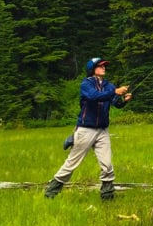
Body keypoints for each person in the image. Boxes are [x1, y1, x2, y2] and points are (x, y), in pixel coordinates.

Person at [44, 57, 132, 201]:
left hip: (102, 130)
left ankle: (107, 197)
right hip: (86, 130)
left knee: (107, 164)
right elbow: (93, 96)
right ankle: (50, 193)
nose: (104, 68)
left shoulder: (109, 86)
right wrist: (115, 92)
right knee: (72, 162)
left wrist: (124, 101)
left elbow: (115, 103)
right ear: (92, 69)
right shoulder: (86, 84)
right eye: (100, 66)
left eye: (104, 66)